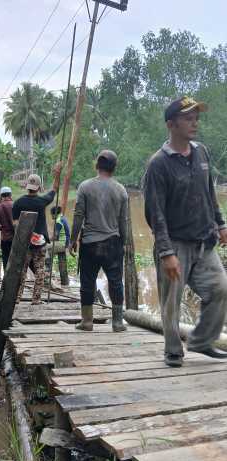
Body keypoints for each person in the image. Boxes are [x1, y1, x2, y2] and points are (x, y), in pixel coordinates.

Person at [144, 96, 227, 367]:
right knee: (171, 301)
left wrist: (221, 223)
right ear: (171, 124)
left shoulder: (201, 152)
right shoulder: (158, 164)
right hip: (175, 244)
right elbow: (155, 213)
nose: (195, 123)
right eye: (187, 119)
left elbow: (209, 193)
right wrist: (166, 252)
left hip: (204, 241)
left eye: (196, 118)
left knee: (220, 288)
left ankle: (202, 341)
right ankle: (173, 352)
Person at [70, 150, 128, 332]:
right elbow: (123, 222)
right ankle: (117, 322)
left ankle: (87, 321)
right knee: (116, 282)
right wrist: (123, 242)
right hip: (113, 243)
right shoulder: (121, 190)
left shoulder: (85, 187)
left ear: (97, 165)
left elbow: (78, 215)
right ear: (114, 168)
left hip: (90, 243)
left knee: (87, 281)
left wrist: (72, 240)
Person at [13, 163, 62, 305]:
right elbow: (54, 189)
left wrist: (27, 233)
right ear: (39, 188)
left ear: (26, 186)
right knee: (40, 270)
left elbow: (14, 223)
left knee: (21, 271)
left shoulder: (18, 203)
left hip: (24, 242)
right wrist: (57, 174)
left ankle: (17, 298)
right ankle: (36, 299)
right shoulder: (42, 201)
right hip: (40, 242)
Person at [47, 206, 71, 286]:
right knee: (62, 262)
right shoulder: (63, 218)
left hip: (61, 244)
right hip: (65, 244)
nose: (51, 217)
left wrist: (46, 240)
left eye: (51, 215)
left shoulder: (58, 221)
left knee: (46, 250)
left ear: (55, 214)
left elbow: (55, 237)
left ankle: (47, 276)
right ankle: (65, 281)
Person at [0, 186, 14, 270]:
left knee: (6, 259)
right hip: (17, 237)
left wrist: (1, 227)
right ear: (10, 195)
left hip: (5, 238)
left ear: (1, 196)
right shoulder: (16, 205)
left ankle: (7, 280)